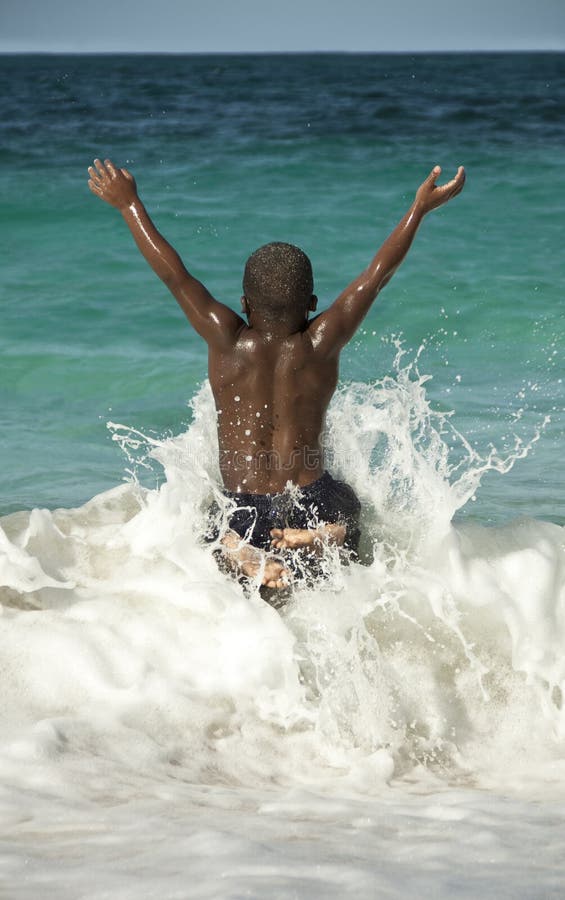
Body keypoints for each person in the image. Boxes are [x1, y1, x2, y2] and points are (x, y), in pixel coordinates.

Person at [88, 159, 465, 589]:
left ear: (244, 304)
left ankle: (240, 551)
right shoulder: (321, 341)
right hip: (310, 495)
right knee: (351, 512)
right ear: (312, 303)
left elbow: (174, 275)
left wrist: (129, 203)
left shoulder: (225, 339)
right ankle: (326, 534)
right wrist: (418, 210)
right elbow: (375, 278)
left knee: (210, 526)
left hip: (245, 502)